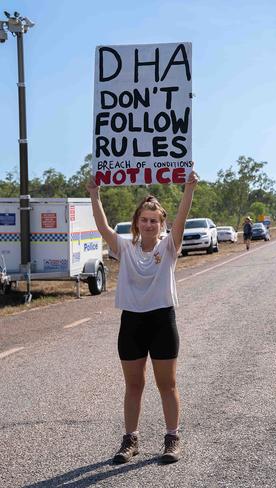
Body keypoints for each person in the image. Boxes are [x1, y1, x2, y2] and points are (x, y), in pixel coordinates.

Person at [87, 170, 199, 464]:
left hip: (162, 320)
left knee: (167, 384)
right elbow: (102, 227)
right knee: (134, 385)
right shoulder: (124, 247)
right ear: (137, 222)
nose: (149, 224)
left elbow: (182, 217)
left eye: (154, 220)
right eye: (144, 219)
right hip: (132, 323)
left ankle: (172, 437)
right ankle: (130, 440)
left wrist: (188, 189)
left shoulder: (169, 246)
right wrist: (95, 194)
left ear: (162, 224)